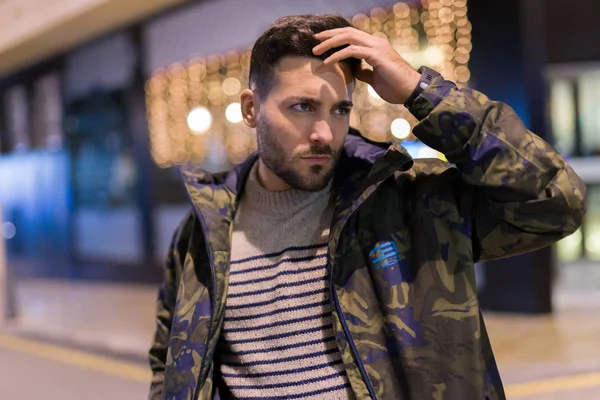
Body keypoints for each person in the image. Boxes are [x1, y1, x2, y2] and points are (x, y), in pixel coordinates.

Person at [148, 14, 586, 400]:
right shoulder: (201, 236)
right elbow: (169, 364)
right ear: (250, 109)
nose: (324, 131)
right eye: (302, 107)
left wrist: (421, 90)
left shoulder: (407, 205)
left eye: (340, 109)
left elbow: (554, 200)